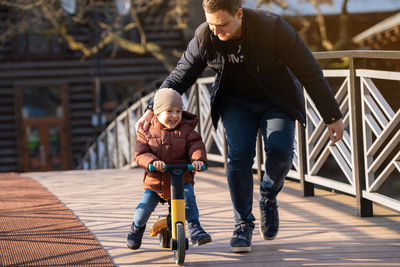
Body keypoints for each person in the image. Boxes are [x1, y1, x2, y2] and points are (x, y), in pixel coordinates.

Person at [136, 0, 344, 253]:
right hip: (236, 103)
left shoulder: (273, 28)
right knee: (240, 156)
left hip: (277, 99)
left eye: (222, 25)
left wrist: (332, 115)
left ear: (239, 13)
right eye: (211, 24)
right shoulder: (205, 36)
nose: (216, 31)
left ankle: (268, 195)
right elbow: (181, 75)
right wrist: (151, 107)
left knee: (280, 151)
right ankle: (243, 224)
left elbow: (309, 71)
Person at [127, 88, 212, 250]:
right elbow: (141, 153)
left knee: (189, 199)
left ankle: (195, 227)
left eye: (178, 111)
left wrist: (197, 160)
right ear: (157, 113)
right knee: (143, 209)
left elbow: (196, 146)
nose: (175, 116)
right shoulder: (146, 132)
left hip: (182, 178)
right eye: (169, 111)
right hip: (156, 182)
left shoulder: (187, 131)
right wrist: (153, 161)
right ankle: (136, 228)